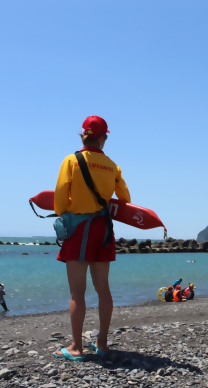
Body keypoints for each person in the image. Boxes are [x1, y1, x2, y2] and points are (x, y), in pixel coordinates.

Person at [53, 115, 131, 362]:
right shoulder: (112, 166)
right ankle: (103, 343)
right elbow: (125, 198)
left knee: (78, 293)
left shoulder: (71, 160)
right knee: (103, 289)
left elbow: (59, 201)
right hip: (103, 230)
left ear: (83, 136)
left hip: (78, 231)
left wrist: (66, 212)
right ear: (104, 138)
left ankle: (76, 347)